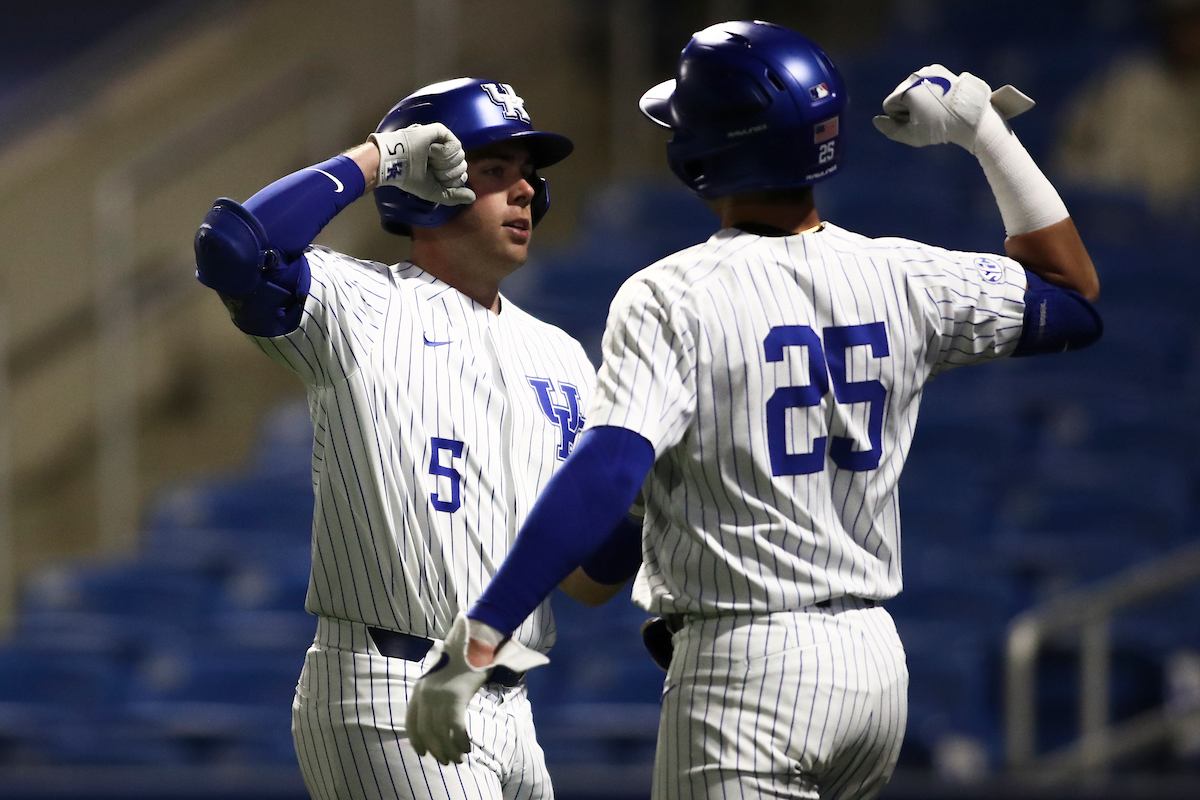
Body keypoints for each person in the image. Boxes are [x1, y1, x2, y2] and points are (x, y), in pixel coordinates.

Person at [406, 21, 1103, 800]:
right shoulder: (905, 275)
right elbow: (1074, 298)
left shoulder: (670, 294)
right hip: (874, 666)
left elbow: (605, 473)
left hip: (748, 670)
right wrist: (983, 132)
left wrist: (483, 635)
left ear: (710, 147)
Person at [193, 78, 641, 800]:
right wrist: (380, 158)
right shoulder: (361, 304)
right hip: (387, 689)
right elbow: (234, 248)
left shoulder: (560, 355)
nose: (526, 190)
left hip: (510, 704)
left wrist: (643, 507)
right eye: (495, 170)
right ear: (432, 184)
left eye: (530, 175)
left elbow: (588, 580)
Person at [1055, 0, 1200, 210]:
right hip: (1108, 209)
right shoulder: (1129, 82)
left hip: (1177, 216)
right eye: (1186, 24)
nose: (1193, 34)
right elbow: (1083, 160)